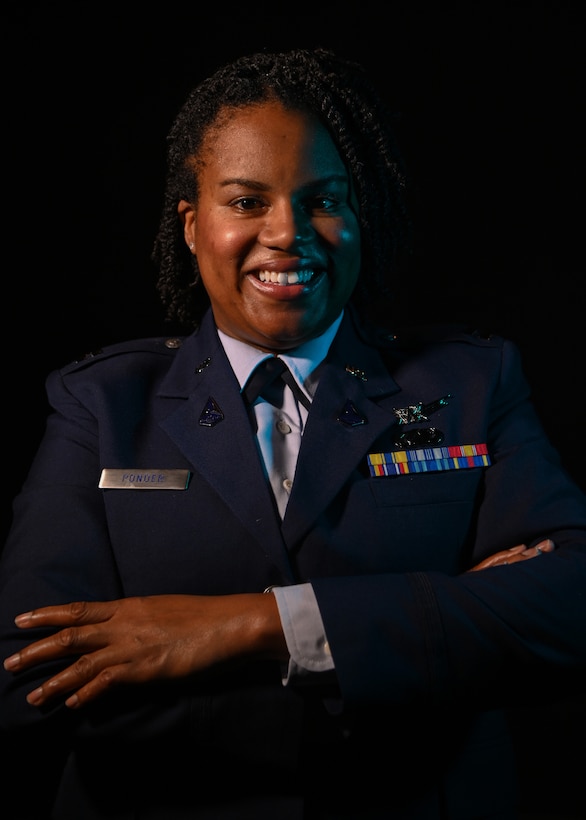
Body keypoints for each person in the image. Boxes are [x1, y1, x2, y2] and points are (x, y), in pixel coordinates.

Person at [1, 46, 585, 820]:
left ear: (357, 216)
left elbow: (566, 610)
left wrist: (244, 628)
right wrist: (438, 627)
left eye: (323, 200)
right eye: (246, 202)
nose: (287, 233)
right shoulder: (102, 405)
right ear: (192, 224)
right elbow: (27, 683)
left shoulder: (468, 385)